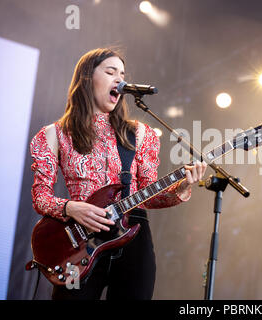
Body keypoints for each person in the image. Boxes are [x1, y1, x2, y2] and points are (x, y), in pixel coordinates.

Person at [29, 48, 207, 300]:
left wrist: (181, 189)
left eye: (122, 74)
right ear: (87, 78)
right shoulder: (53, 135)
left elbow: (149, 195)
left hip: (133, 238)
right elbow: (40, 197)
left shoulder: (140, 134)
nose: (119, 80)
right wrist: (71, 208)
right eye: (111, 72)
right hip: (77, 242)